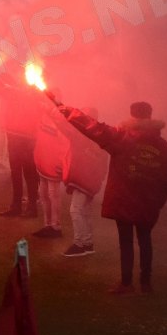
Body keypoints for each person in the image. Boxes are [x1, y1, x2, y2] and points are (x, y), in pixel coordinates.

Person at [59, 101, 167, 294]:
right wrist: (158, 201)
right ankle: (146, 283)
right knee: (145, 241)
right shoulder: (161, 145)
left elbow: (94, 128)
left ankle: (126, 283)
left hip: (124, 200)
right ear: (150, 116)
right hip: (148, 203)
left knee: (126, 242)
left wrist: (69, 112)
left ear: (132, 115)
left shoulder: (122, 138)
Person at [58, 107, 109, 257]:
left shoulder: (83, 135)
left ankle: (79, 244)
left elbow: (65, 130)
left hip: (84, 179)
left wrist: (57, 114)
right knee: (85, 212)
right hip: (90, 180)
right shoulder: (101, 136)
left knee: (76, 210)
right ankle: (88, 243)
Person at [0, 82, 42, 218]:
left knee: (30, 175)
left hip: (26, 141)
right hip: (13, 140)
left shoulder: (32, 101)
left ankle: (32, 208)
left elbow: (34, 122)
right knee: (15, 174)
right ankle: (16, 206)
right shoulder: (12, 99)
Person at [31, 99, 68, 238]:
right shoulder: (43, 116)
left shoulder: (60, 121)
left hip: (53, 165)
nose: (44, 104)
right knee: (43, 195)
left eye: (47, 102)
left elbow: (64, 144)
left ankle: (56, 227)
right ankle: (47, 225)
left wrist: (61, 163)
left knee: (53, 196)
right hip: (42, 161)